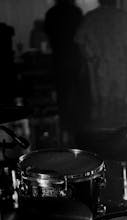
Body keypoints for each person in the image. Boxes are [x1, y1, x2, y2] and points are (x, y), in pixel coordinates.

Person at [75, 0, 127, 120]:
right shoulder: (123, 17)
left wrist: (91, 57)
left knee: (101, 105)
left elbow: (79, 41)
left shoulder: (91, 17)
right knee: (120, 104)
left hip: (99, 66)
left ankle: (103, 134)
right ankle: (118, 133)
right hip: (120, 65)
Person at [44, 0, 84, 145]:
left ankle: (64, 129)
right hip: (74, 60)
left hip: (59, 60)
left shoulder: (52, 13)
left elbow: (48, 34)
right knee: (78, 96)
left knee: (63, 96)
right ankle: (77, 130)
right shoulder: (76, 12)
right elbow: (81, 36)